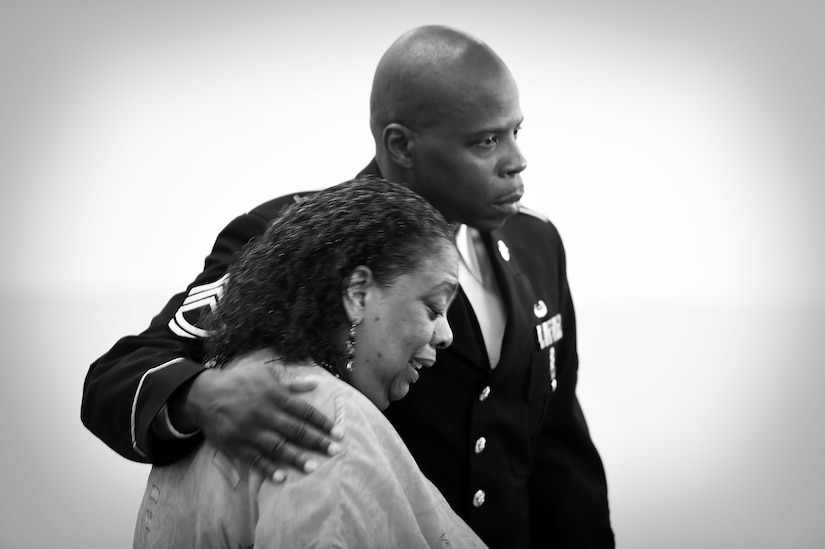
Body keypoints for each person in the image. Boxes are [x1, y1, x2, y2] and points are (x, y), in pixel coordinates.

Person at [83, 25, 614, 548]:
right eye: (486, 141)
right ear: (401, 145)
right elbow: (118, 375)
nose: (516, 160)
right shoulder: (297, 237)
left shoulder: (536, 242)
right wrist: (200, 395)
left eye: (516, 132)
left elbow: (558, 449)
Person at [132, 178, 485, 548]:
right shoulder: (325, 422)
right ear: (359, 293)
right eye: (433, 308)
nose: (446, 335)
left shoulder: (228, 385)